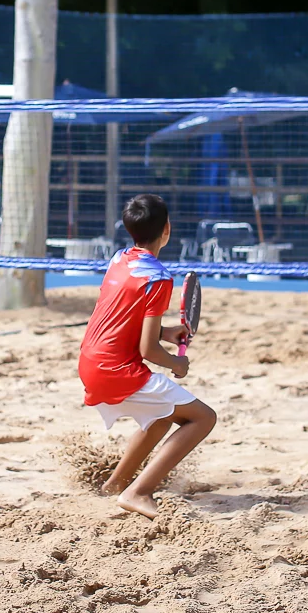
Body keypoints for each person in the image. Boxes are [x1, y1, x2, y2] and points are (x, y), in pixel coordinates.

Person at [79, 193, 218, 520]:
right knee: (203, 418)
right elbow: (147, 351)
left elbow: (126, 318)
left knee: (162, 413)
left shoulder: (119, 258)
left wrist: (167, 332)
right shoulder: (157, 277)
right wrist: (176, 362)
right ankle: (138, 492)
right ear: (167, 230)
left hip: (90, 360)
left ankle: (115, 485)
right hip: (117, 369)